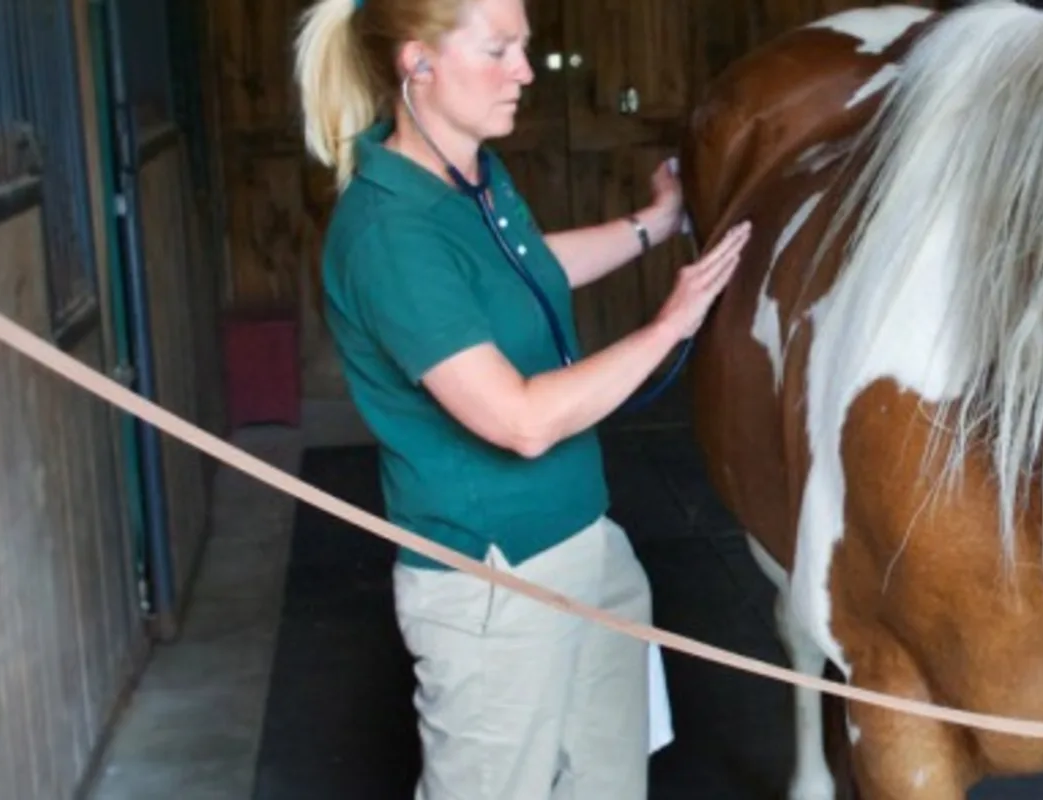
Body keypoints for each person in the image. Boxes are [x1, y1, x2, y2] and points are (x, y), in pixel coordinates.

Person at [290, 0, 751, 796]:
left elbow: (531, 269)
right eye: (501, 49)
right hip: (494, 586)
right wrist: (669, 325)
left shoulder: (470, 177)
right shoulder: (390, 233)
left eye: (525, 48)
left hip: (588, 544)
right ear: (418, 62)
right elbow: (521, 420)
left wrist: (654, 223)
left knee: (608, 782)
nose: (527, 72)